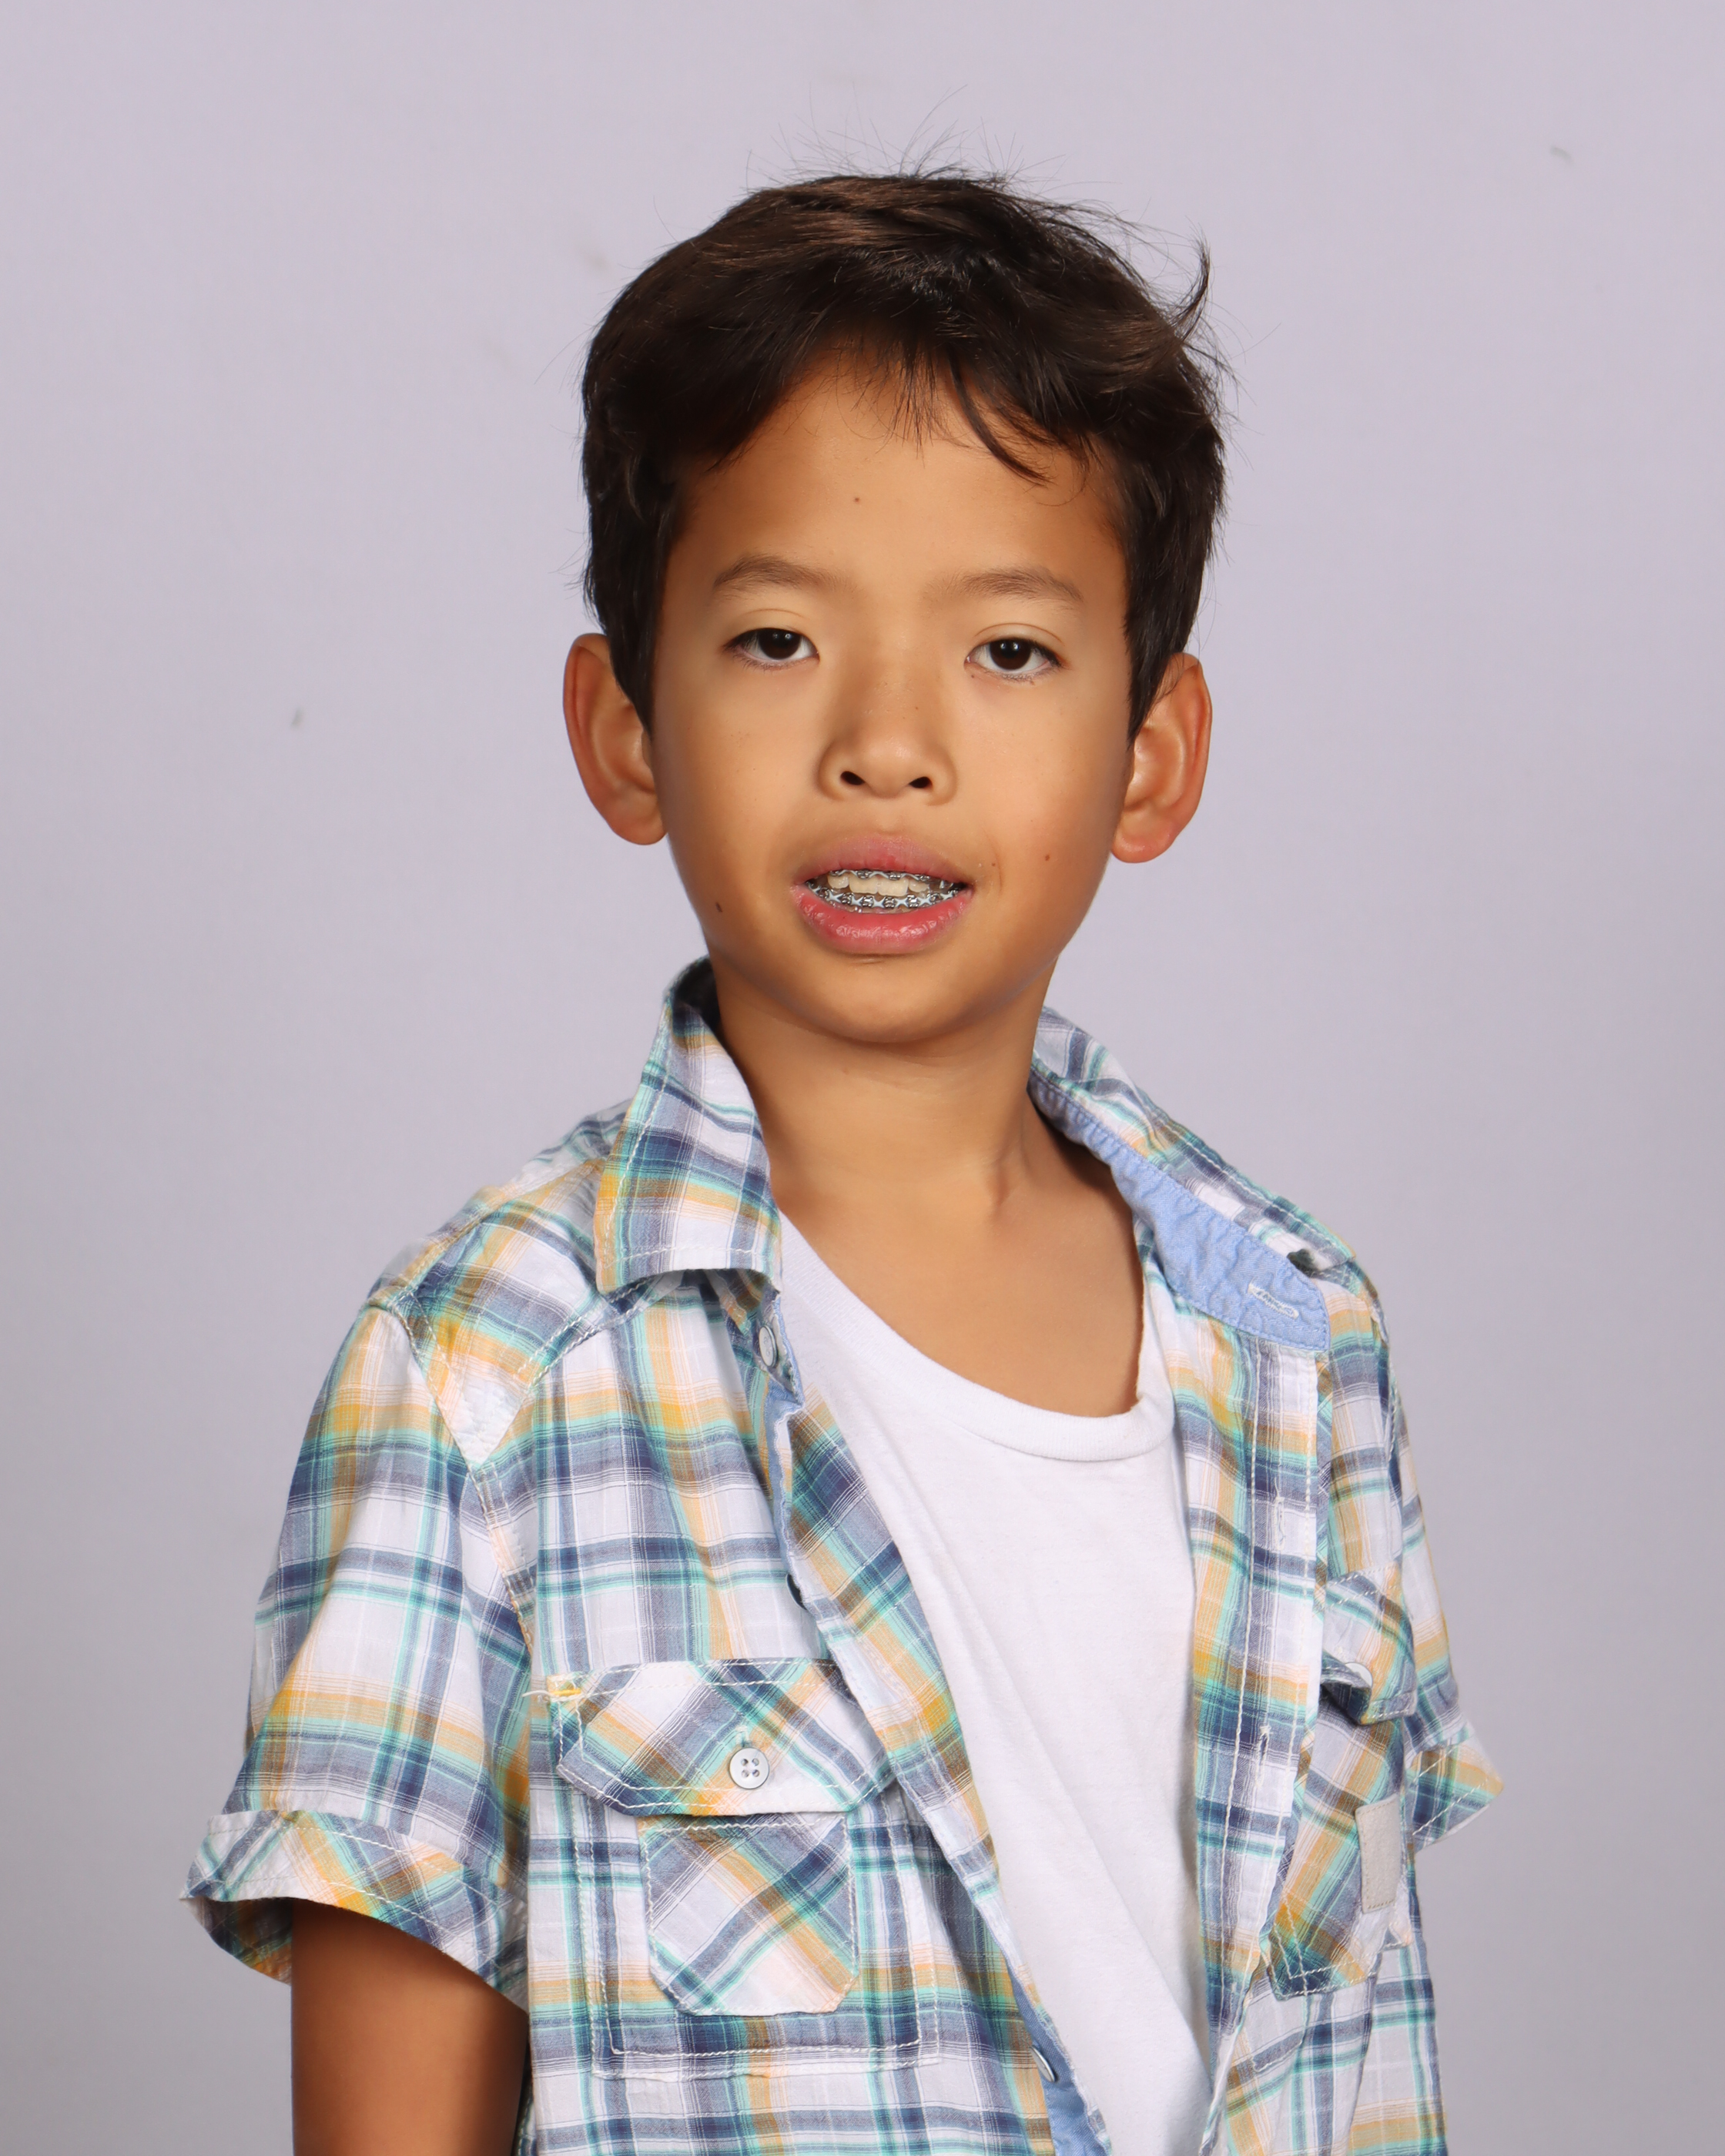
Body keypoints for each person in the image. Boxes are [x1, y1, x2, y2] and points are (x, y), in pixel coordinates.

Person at [185, 171, 1499, 2156]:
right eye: (781, 638)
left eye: (1011, 653)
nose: (889, 742)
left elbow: (1351, 2047)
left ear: (1153, 756)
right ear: (626, 730)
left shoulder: (1301, 1338)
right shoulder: (480, 1370)